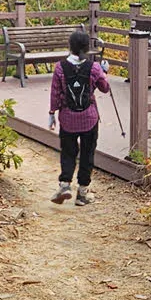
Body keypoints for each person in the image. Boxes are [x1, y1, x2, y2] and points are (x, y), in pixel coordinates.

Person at [47, 29, 110, 205]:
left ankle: (65, 185)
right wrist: (104, 72)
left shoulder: (60, 67)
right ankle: (82, 193)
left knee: (68, 152)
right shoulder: (94, 67)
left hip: (67, 118)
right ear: (87, 48)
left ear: (70, 46)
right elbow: (105, 88)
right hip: (89, 118)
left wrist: (52, 113)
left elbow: (55, 93)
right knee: (87, 154)